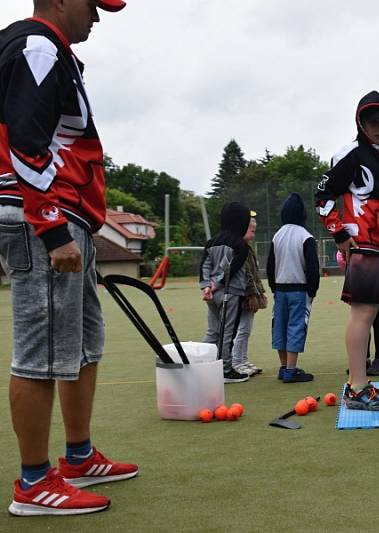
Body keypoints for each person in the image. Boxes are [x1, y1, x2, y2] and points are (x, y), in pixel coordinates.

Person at [0, 0, 138, 517]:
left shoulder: (48, 49)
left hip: (62, 217)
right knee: (42, 348)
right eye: (92, 4)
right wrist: (53, 228)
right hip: (42, 217)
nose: (98, 17)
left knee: (80, 341)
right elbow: (25, 141)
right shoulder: (37, 44)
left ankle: (77, 456)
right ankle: (34, 483)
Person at [315, 90, 379, 410]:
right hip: (363, 245)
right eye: (371, 121)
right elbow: (322, 196)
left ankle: (361, 383)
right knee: (363, 313)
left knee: (371, 312)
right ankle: (357, 387)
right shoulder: (350, 153)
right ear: (360, 123)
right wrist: (338, 233)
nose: (378, 127)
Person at [267, 193, 319, 383]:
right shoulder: (306, 236)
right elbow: (312, 267)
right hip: (299, 290)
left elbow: (270, 266)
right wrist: (312, 291)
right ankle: (291, 370)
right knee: (296, 326)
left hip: (280, 290)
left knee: (279, 325)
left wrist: (273, 287)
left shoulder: (277, 235)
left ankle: (283, 367)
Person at [336, 227, 379, 376]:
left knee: (377, 317)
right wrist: (344, 255)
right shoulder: (355, 227)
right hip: (358, 274)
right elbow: (342, 256)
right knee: (361, 318)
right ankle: (362, 359)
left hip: (378, 275)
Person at [200, 202, 252, 384]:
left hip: (211, 295)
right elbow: (233, 267)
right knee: (227, 332)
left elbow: (204, 265)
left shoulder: (211, 242)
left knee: (213, 331)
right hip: (230, 293)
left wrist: (206, 285)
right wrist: (218, 283)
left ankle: (202, 366)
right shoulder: (241, 245)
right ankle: (226, 370)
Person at [231, 215, 268, 376]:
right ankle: (236, 362)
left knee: (246, 329)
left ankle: (243, 359)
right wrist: (252, 294)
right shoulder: (240, 249)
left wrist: (260, 293)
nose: (253, 234)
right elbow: (246, 274)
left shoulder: (249, 248)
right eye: (251, 231)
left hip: (251, 294)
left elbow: (254, 274)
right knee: (242, 330)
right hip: (243, 296)